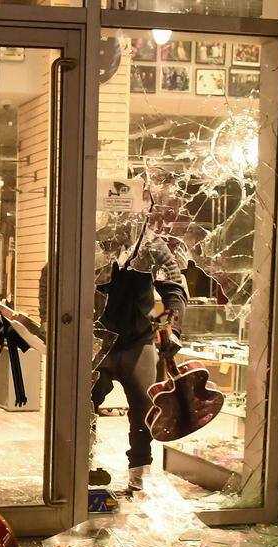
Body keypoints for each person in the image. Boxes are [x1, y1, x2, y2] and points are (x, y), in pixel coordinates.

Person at [92, 203, 188, 490]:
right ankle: (79, 468)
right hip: (94, 339)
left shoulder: (151, 245)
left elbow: (173, 288)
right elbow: (53, 273)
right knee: (82, 408)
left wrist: (170, 328)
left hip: (137, 339)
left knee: (145, 411)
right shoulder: (90, 240)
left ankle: (140, 476)